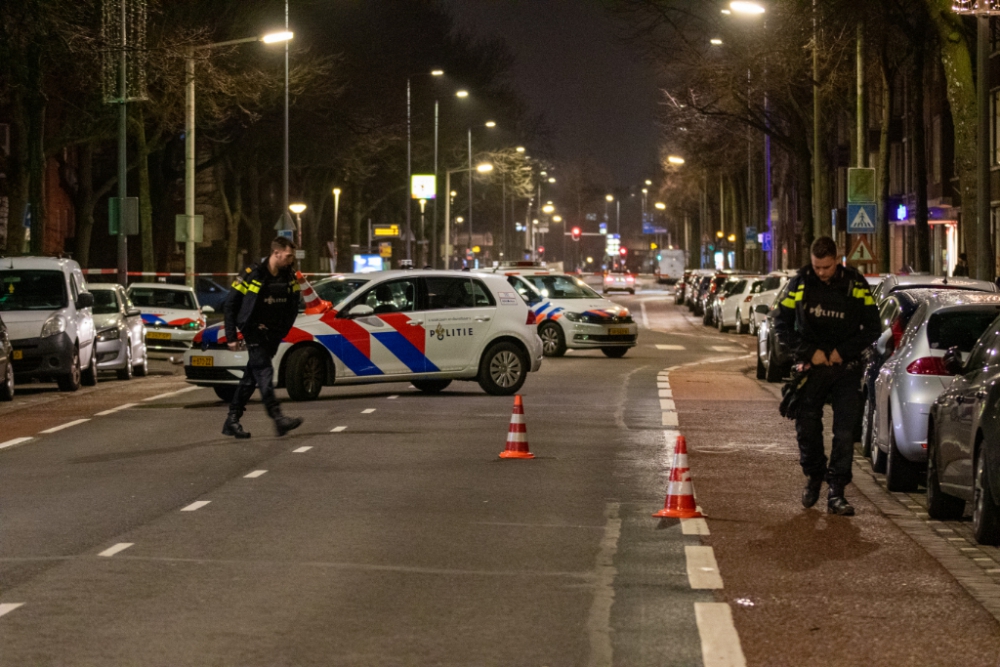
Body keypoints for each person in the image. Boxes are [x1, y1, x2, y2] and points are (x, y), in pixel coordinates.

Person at [773, 236, 880, 516]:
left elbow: (872, 327)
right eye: (817, 267)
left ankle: (837, 491)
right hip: (811, 369)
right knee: (807, 427)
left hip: (845, 368)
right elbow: (780, 323)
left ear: (838, 260)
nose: (822, 273)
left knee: (845, 433)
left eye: (827, 267)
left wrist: (842, 352)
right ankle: (814, 476)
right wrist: (809, 352)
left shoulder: (856, 285)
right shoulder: (799, 283)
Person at [221, 237, 304, 439]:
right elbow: (231, 304)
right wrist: (231, 336)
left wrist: (282, 330)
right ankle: (278, 418)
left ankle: (232, 420)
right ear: (276, 253)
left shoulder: (289, 276)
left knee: (251, 377)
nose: (291, 260)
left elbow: (294, 305)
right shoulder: (252, 274)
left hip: (274, 334)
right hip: (253, 331)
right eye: (288, 255)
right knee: (264, 371)